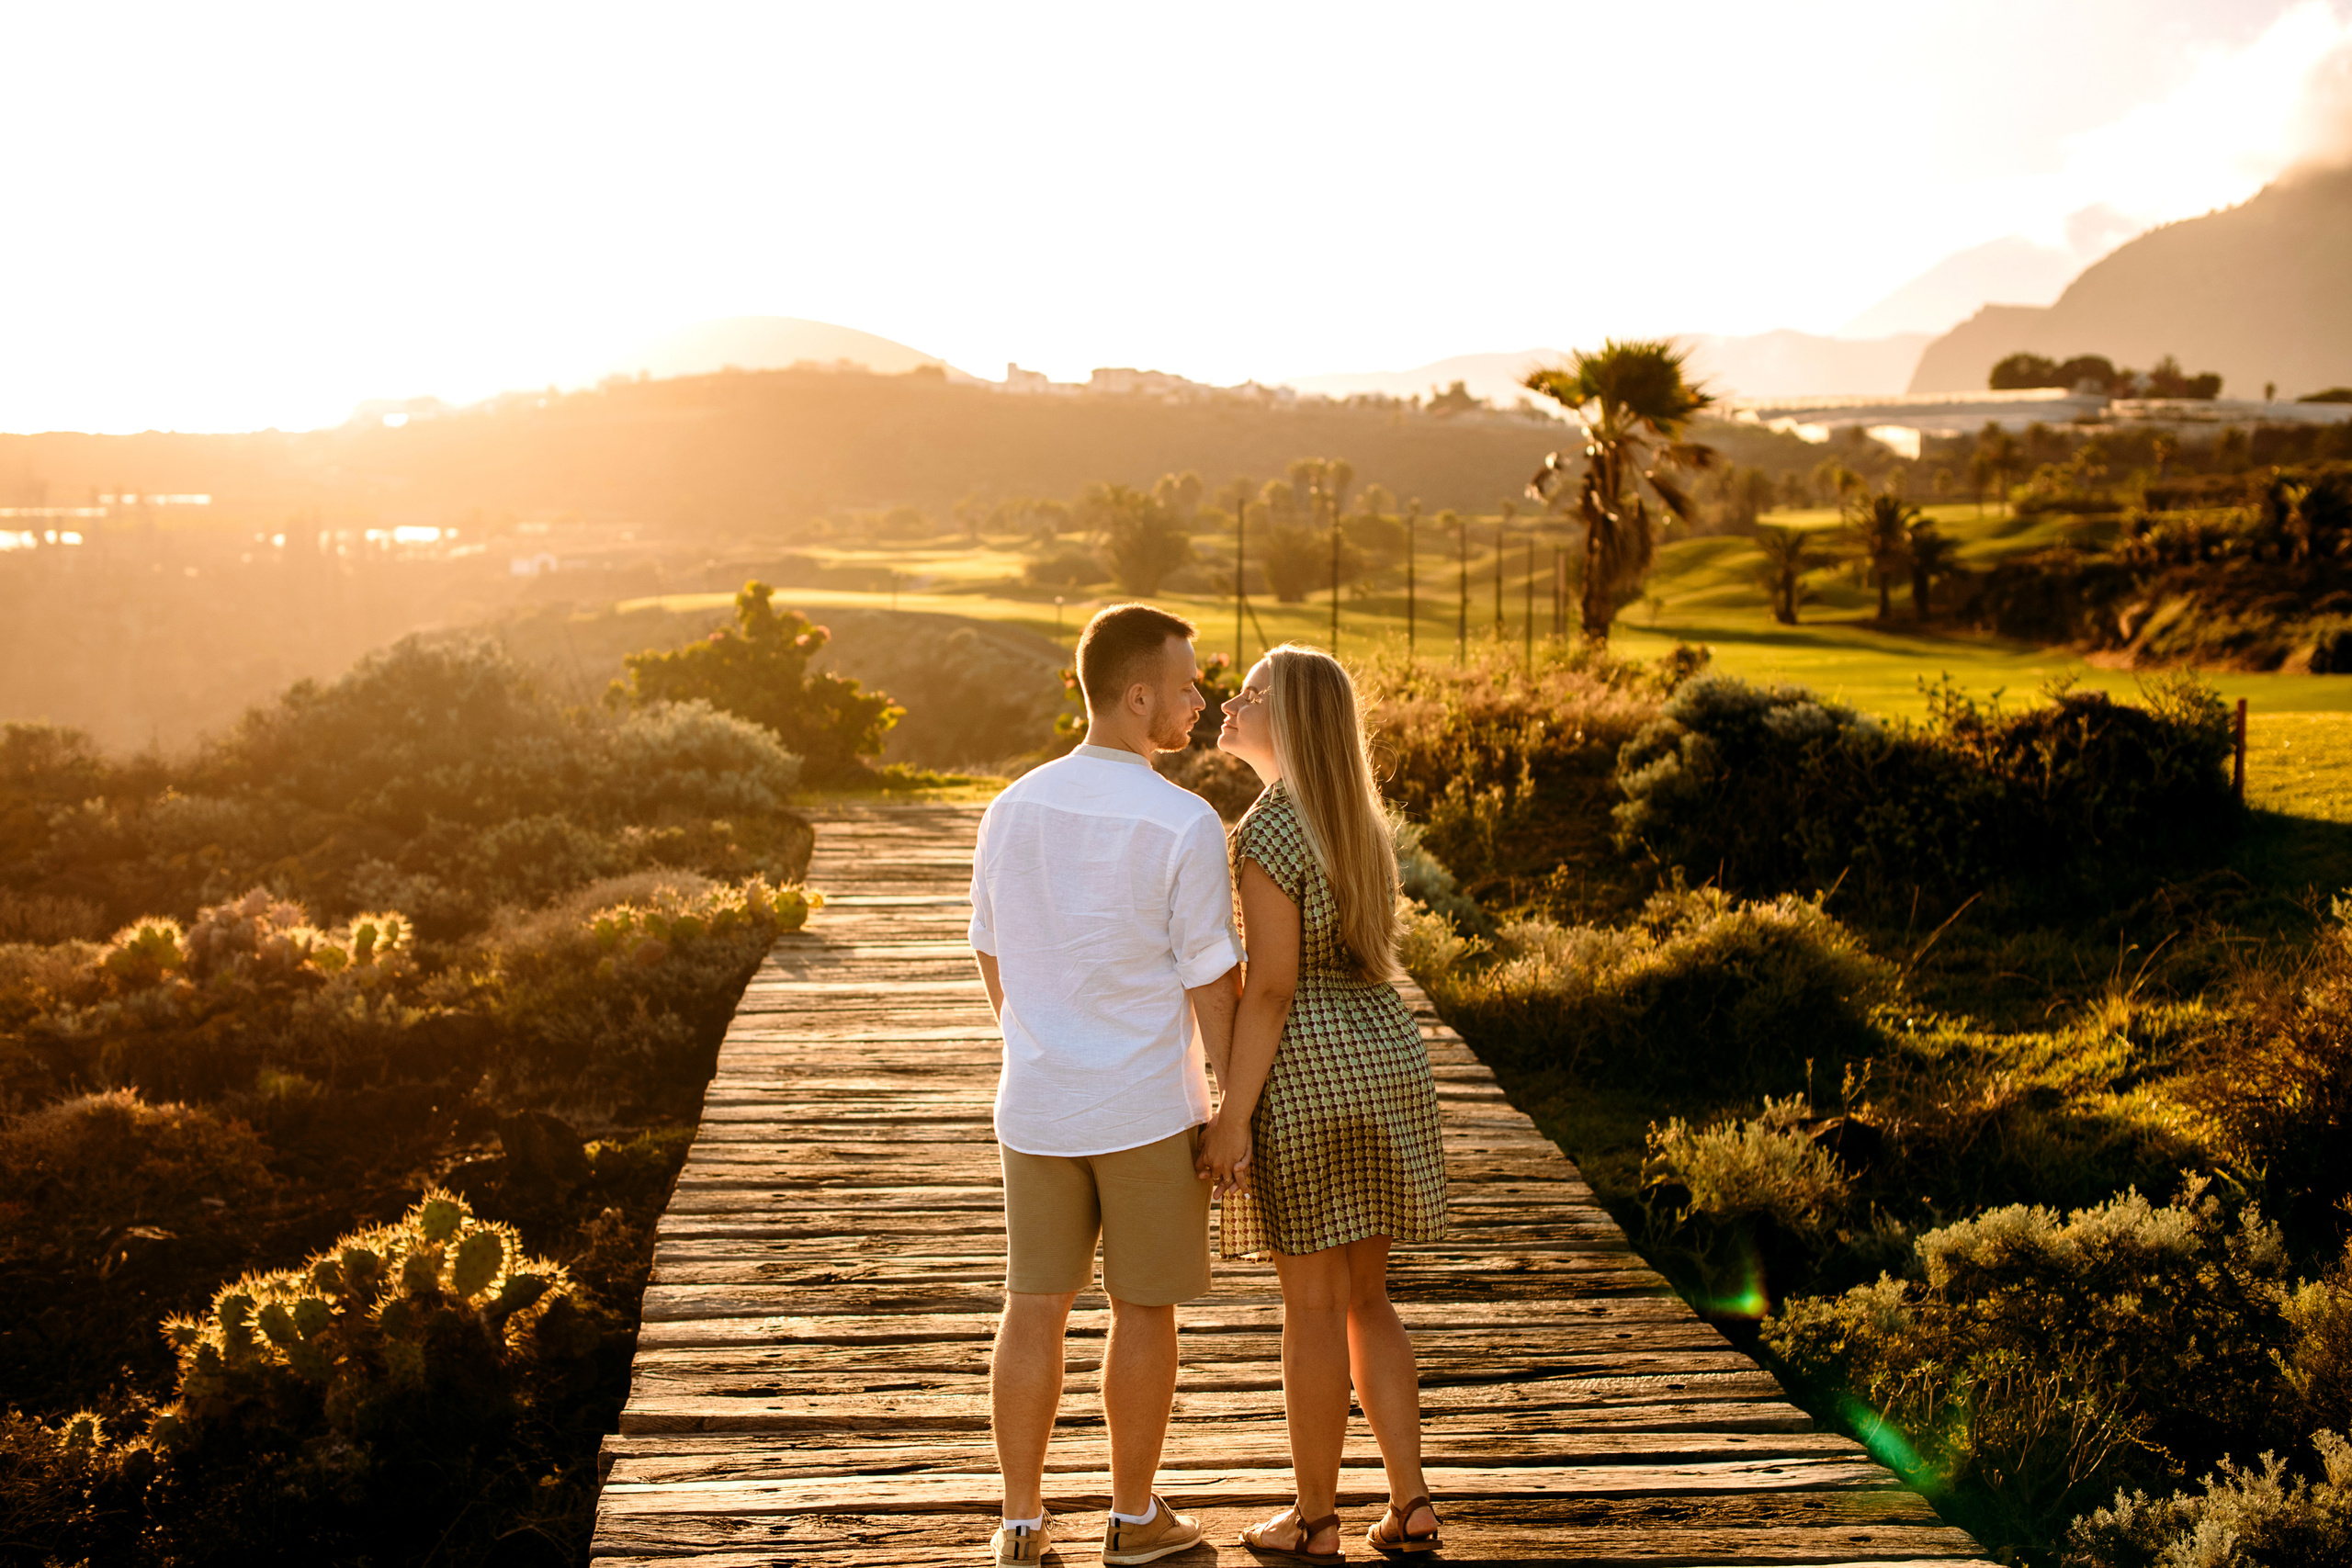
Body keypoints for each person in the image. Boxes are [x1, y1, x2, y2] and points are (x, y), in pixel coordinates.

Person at [968, 603, 1245, 1567]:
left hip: (1035, 1102)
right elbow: (1215, 983)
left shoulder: (1010, 808)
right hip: (1141, 1110)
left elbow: (991, 958)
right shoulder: (1183, 820)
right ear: (1137, 699)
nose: (1200, 700)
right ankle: (1132, 1522)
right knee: (1142, 1309)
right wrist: (1232, 1114)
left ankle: (1019, 1523)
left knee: (1031, 1306)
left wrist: (1042, 1043)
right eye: (1186, 685)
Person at [1202, 643, 1448, 1561]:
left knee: (1309, 1305)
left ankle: (1311, 1521)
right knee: (1367, 1300)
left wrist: (1230, 1118)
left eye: (1251, 693)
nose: (1231, 701)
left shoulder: (1265, 828)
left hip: (1303, 1070)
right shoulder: (1357, 819)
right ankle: (1410, 1501)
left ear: (1290, 715)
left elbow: (1268, 991)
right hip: (1386, 1060)